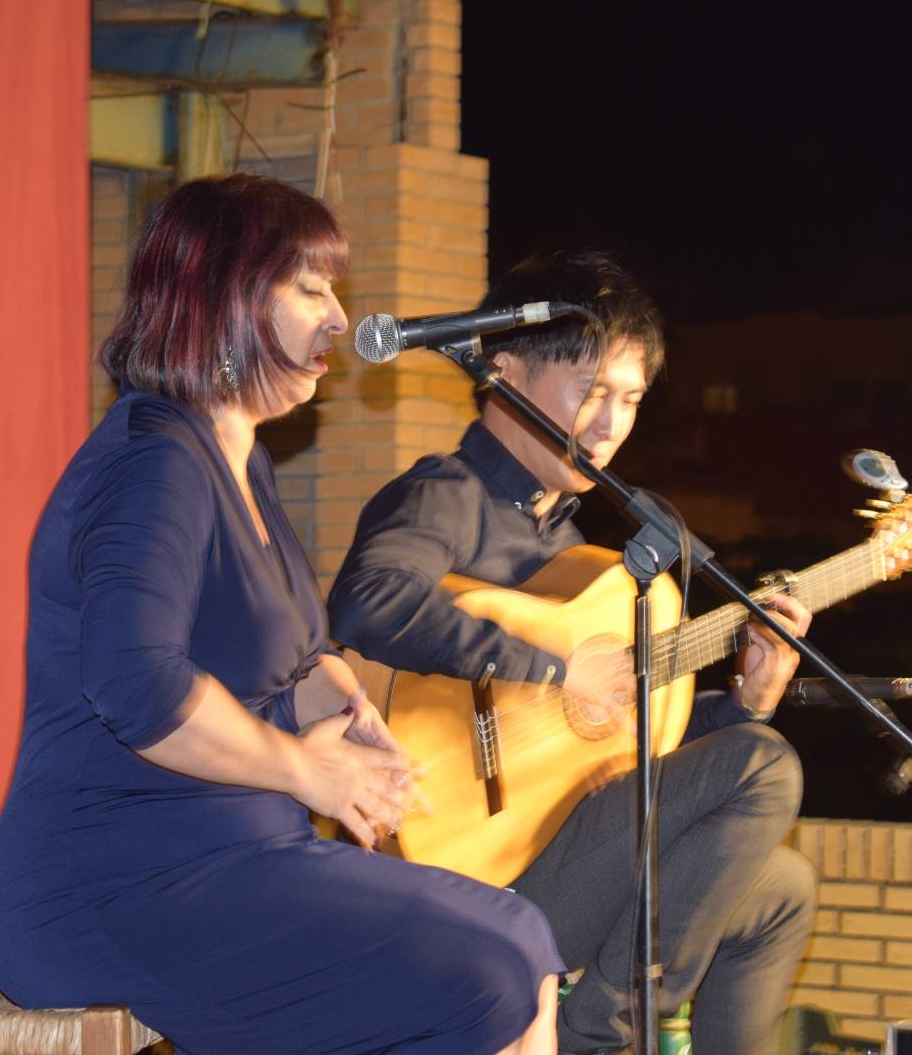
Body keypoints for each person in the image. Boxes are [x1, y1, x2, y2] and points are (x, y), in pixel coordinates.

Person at [0, 174, 563, 1055]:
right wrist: (305, 770)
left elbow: (291, 651)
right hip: (116, 881)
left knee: (524, 938)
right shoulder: (154, 464)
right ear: (226, 297)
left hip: (232, 854)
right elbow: (138, 687)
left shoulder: (239, 459)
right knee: (487, 974)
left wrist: (347, 710)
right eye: (310, 289)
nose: (339, 318)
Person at [327, 252, 819, 1055]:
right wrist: (551, 666)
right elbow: (366, 600)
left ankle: (609, 1017)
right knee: (765, 768)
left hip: (561, 855)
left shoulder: (575, 552)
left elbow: (622, 754)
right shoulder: (445, 495)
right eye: (590, 390)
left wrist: (746, 702)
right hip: (464, 872)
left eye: (629, 398)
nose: (609, 423)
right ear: (504, 371)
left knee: (782, 889)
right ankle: (597, 1029)